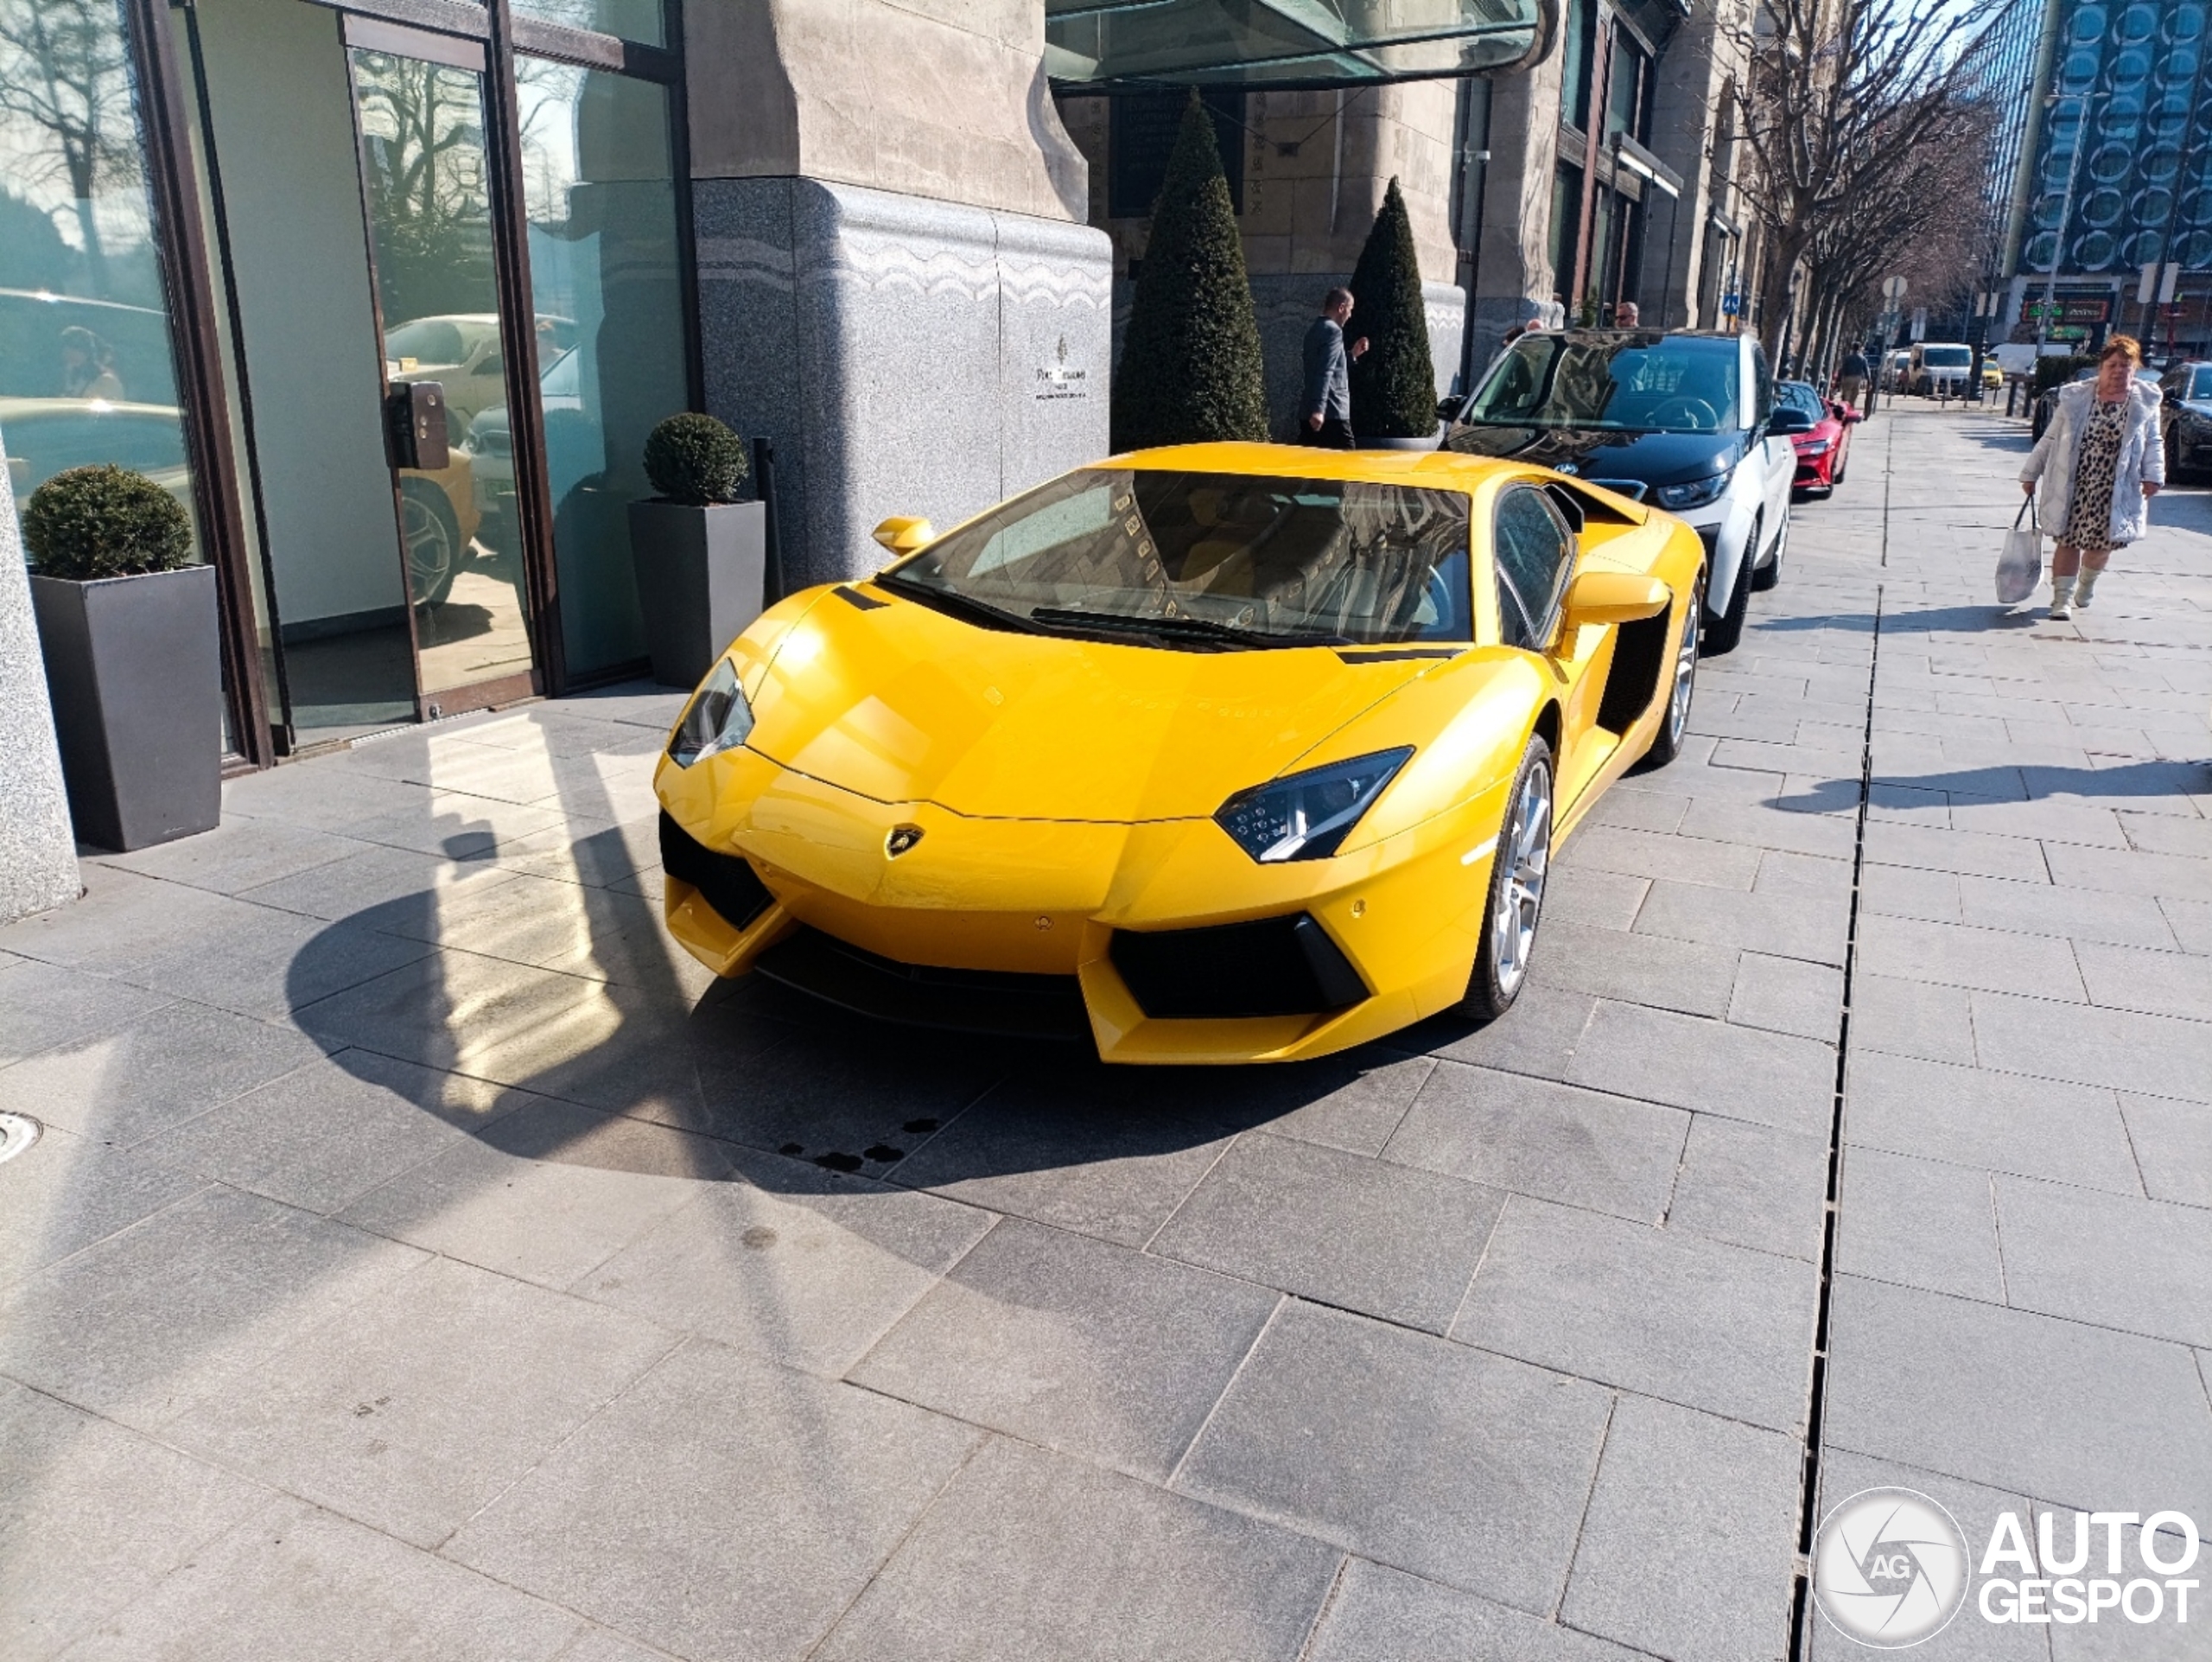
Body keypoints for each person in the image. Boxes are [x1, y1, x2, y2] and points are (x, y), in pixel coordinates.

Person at [2020, 334, 2163, 619]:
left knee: (2101, 546)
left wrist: (2154, 475)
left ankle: (2086, 582)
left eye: (2126, 365)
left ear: (2134, 370)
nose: (2119, 371)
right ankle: (2061, 599)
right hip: (2074, 484)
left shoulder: (2146, 403)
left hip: (2116, 488)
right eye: (2113, 364)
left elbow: (2154, 441)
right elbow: (2049, 439)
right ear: (2102, 367)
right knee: (2068, 541)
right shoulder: (2076, 397)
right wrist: (2030, 473)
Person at [1301, 287, 1369, 449]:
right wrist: (1319, 409)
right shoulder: (1334, 332)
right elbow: (1325, 371)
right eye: (1350, 310)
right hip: (1332, 411)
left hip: (1309, 409)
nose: (1350, 315)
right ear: (1341, 308)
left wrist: (1352, 355)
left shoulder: (1314, 330)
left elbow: (1324, 365)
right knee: (1347, 461)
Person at [60, 327, 124, 400]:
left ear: (88, 353)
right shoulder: (69, 379)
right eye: (66, 351)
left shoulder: (106, 382)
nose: (70, 355)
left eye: (76, 349)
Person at [1836, 347, 1870, 411]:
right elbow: (1866, 370)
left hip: (1848, 377)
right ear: (1859, 349)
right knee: (1854, 395)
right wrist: (1869, 380)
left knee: (1846, 395)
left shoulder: (1847, 358)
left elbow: (1843, 369)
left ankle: (1845, 409)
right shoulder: (1862, 359)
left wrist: (1839, 379)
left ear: (1852, 349)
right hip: (1858, 379)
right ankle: (1851, 408)